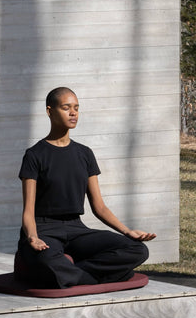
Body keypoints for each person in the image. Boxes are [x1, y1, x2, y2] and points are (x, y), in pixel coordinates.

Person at [17, 86, 156, 288]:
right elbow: (28, 211)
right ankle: (102, 275)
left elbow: (99, 207)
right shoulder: (34, 155)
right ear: (50, 111)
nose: (73, 113)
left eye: (76, 108)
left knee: (138, 250)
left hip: (76, 230)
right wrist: (33, 238)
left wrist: (127, 232)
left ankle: (71, 276)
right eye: (66, 107)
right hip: (44, 230)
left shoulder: (85, 154)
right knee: (45, 260)